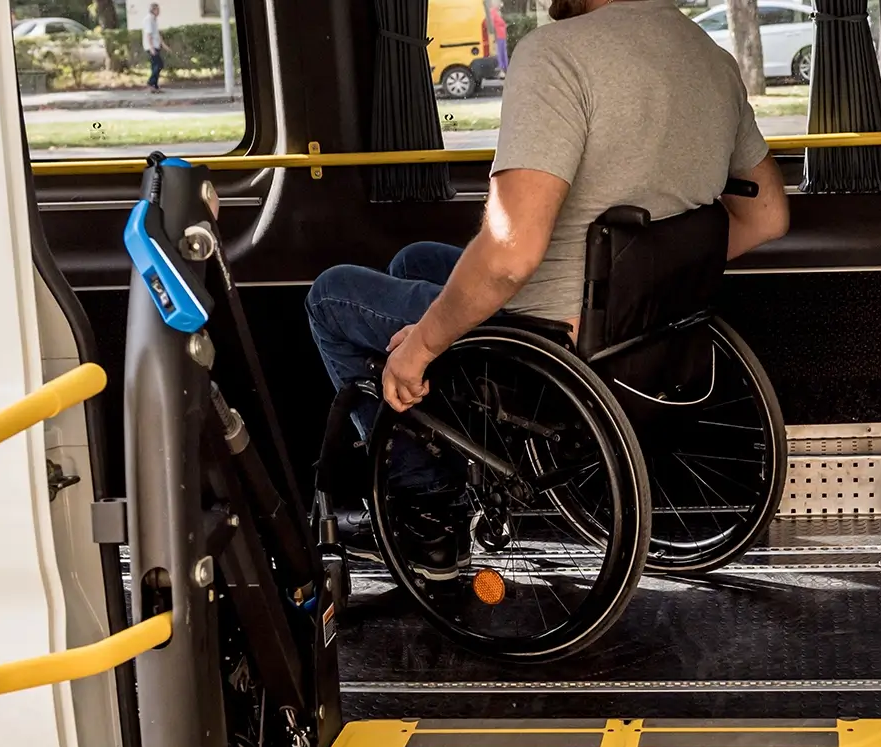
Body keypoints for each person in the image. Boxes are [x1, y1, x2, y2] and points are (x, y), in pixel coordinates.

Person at [307, 0, 790, 577]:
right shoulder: (709, 56)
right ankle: (452, 456)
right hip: (651, 332)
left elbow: (510, 255)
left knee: (332, 298)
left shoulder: (556, 53)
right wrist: (644, 280)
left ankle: (428, 512)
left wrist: (424, 345)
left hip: (552, 336)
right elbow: (767, 217)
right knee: (415, 260)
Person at [143, 3, 169, 94]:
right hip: (152, 46)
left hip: (155, 45)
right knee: (159, 64)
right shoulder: (149, 19)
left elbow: (157, 34)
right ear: (153, 10)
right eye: (157, 9)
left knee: (155, 66)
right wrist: (151, 48)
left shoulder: (154, 20)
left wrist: (164, 45)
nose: (159, 11)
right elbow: (149, 34)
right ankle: (151, 83)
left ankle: (155, 86)